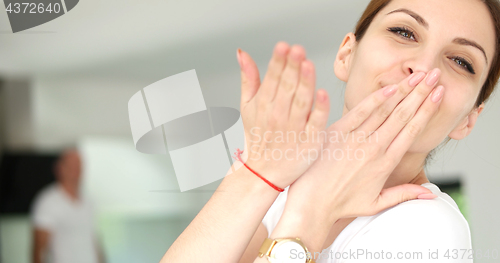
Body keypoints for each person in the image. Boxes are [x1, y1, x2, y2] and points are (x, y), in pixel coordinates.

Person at [160, 0, 500, 262]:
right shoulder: (285, 186)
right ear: (346, 55)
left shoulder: (430, 228)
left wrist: (310, 215)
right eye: (404, 32)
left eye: (461, 62)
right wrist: (256, 174)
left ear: (467, 118)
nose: (424, 68)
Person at [31, 149, 105, 263]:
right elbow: (39, 250)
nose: (77, 170)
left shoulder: (88, 201)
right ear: (59, 168)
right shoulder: (47, 202)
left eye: (79, 165)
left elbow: (93, 241)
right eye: (72, 166)